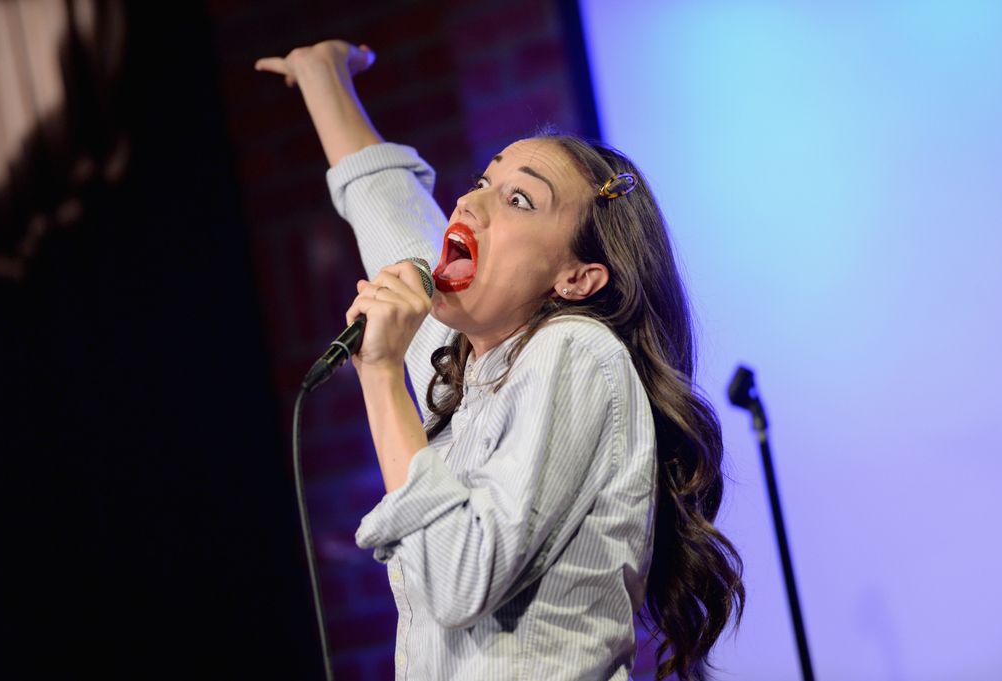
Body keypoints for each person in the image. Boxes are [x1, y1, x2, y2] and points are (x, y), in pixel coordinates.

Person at [256, 40, 743, 681]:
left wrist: (379, 374)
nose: (469, 204)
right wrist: (325, 79)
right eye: (485, 182)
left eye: (519, 201)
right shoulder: (470, 368)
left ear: (577, 279)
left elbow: (459, 579)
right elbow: (392, 218)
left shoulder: (578, 351)